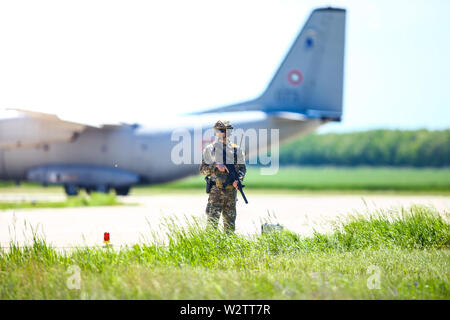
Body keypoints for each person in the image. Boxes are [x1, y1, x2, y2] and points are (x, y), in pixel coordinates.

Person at [199, 120, 246, 233]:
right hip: (216, 193)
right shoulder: (210, 149)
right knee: (211, 227)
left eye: (220, 131)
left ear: (227, 132)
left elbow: (242, 168)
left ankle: (227, 250)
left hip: (230, 193)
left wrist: (238, 179)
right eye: (216, 131)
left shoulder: (236, 150)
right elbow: (202, 169)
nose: (217, 133)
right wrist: (216, 166)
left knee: (230, 228)